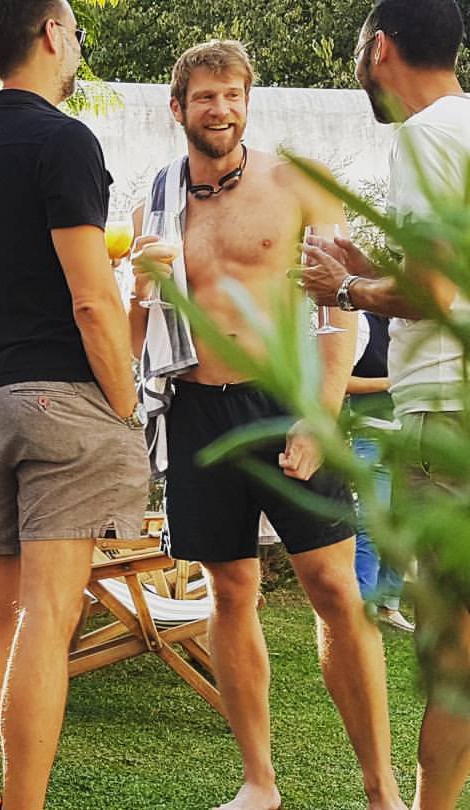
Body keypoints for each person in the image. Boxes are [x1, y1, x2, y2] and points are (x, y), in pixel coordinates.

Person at [130, 40, 407, 810]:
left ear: (248, 101)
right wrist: (139, 289)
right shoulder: (155, 206)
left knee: (334, 590)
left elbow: (336, 315)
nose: (221, 109)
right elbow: (139, 334)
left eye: (234, 95)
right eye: (206, 96)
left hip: (286, 399)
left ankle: (381, 791)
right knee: (229, 591)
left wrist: (320, 414)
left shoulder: (297, 186)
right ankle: (259, 783)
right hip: (198, 409)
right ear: (177, 107)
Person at [0, 1, 149, 808]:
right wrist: (125, 406)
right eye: (75, 31)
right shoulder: (65, 141)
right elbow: (92, 300)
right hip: (65, 400)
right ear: (52, 33)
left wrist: (10, 276)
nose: (77, 45)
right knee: (49, 618)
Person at [301, 1, 470, 806]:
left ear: (380, 49)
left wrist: (344, 288)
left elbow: (433, 293)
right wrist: (374, 269)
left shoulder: (425, 134)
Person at [348, 312, 413, 632]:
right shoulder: (362, 323)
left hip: (411, 437)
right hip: (372, 436)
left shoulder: (412, 323)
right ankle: (364, 605)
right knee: (372, 524)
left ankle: (389, 604)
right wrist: (392, 382)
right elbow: (339, 381)